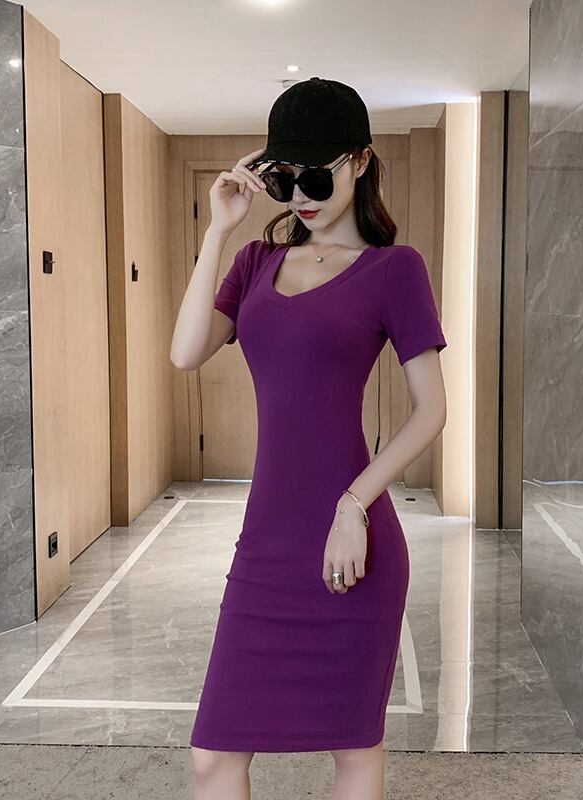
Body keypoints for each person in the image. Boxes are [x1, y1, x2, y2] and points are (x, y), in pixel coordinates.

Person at [170, 76, 448, 800]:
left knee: (353, 749)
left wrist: (354, 505)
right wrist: (217, 231)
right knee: (212, 757)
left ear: (361, 161)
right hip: (266, 545)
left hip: (350, 547)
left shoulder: (394, 269)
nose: (300, 195)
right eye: (284, 177)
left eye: (316, 175)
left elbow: (430, 411)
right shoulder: (255, 262)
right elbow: (186, 351)